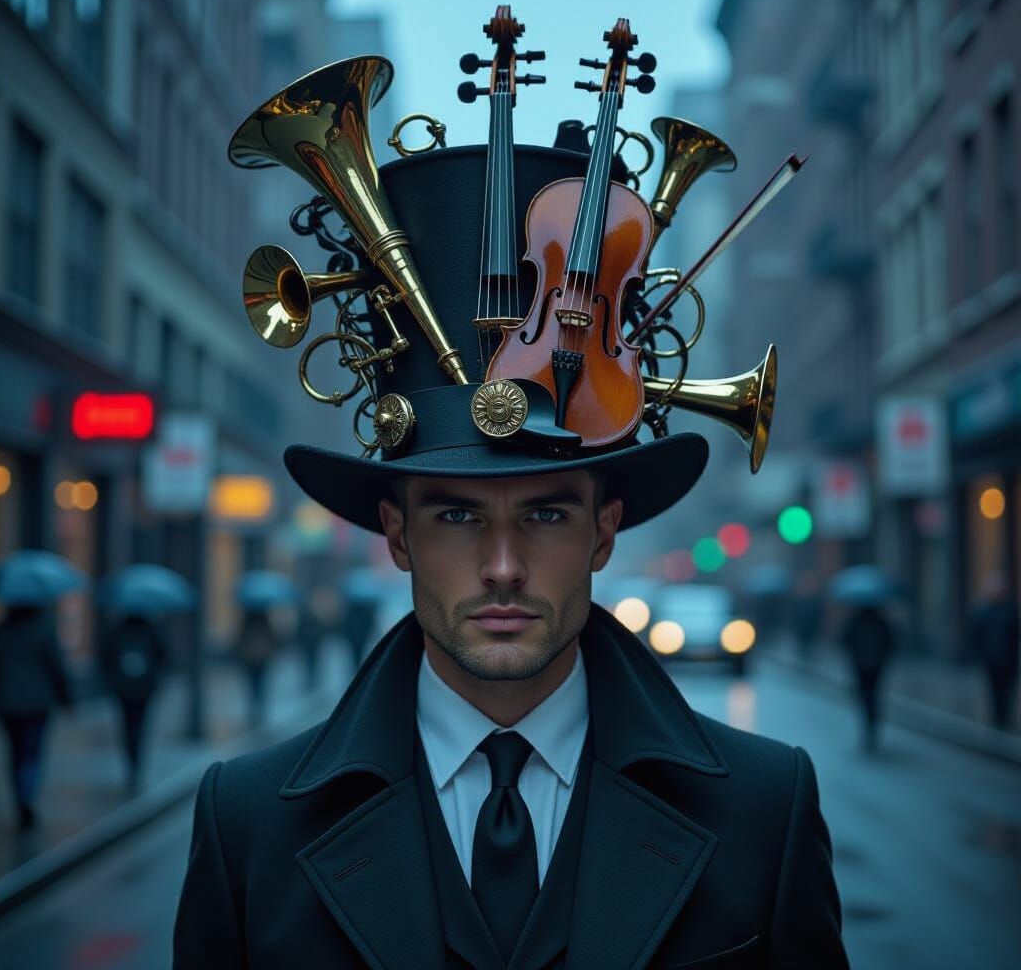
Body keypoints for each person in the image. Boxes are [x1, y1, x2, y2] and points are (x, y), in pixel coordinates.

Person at [174, 106, 848, 968]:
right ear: (397, 533)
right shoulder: (247, 822)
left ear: (605, 530)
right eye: (457, 516)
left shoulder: (765, 808)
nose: (502, 567)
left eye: (547, 514)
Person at [0, 604, 72, 828]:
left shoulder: (2, 632)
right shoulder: (43, 631)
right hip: (38, 704)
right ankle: (27, 796)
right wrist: (67, 698)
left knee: (16, 752)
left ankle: (21, 797)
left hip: (8, 704)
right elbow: (57, 667)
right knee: (32, 752)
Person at [98, 613, 168, 790]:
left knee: (127, 724)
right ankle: (137, 762)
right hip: (144, 687)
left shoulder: (117, 630)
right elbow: (163, 656)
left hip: (123, 688)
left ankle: (130, 760)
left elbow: (105, 658)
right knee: (140, 724)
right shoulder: (151, 629)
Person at [839, 604, 896, 752]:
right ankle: (872, 725)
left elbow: (844, 641)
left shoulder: (855, 621)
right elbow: (892, 643)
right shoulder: (882, 622)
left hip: (860, 666)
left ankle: (868, 725)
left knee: (864, 696)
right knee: (873, 695)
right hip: (877, 666)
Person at [968, 570, 1019, 729]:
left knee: (1007, 689)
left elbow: (1015, 632)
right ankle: (998, 718)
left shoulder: (1011, 609)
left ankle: (1004, 717)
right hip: (991, 658)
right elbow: (975, 633)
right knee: (994, 689)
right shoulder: (984, 610)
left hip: (1009, 658)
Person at [235, 610, 277, 728]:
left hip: (250, 657)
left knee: (252, 683)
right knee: (260, 682)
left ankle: (254, 707)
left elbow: (240, 639)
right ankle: (260, 706)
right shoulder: (265, 620)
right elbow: (271, 637)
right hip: (262, 657)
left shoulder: (246, 621)